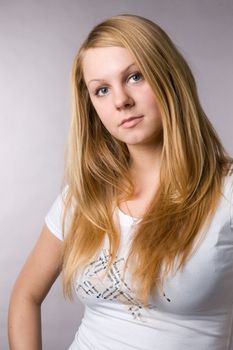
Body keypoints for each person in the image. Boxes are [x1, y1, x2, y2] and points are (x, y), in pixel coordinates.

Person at [8, 14, 233, 350]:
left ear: (169, 75)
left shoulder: (226, 192)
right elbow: (25, 295)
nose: (120, 100)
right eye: (102, 89)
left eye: (135, 76)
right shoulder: (83, 197)